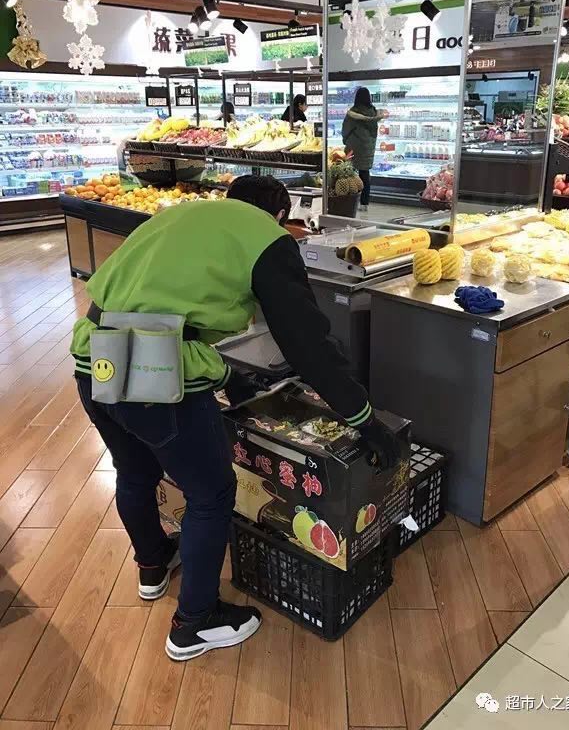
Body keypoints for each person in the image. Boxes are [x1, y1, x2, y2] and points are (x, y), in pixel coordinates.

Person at [71, 175, 402, 662]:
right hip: (155, 379)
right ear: (281, 214)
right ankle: (195, 623)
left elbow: (159, 313)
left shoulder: (182, 216)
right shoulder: (268, 238)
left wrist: (229, 376)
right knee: (210, 495)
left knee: (135, 472)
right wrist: (364, 418)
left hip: (93, 358)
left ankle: (153, 563)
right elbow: (307, 345)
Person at [342, 87, 388, 212]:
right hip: (367, 148)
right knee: (365, 175)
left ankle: (350, 201)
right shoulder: (373, 113)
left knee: (349, 174)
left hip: (353, 148)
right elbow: (374, 133)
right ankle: (364, 203)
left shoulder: (353, 113)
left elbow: (346, 129)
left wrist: (345, 140)